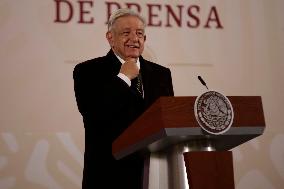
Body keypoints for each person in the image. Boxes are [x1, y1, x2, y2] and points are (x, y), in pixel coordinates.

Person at [73, 8, 174, 189]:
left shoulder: (161, 74)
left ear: (145, 39)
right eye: (126, 33)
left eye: (139, 33)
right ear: (110, 38)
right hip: (109, 175)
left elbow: (167, 120)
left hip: (154, 174)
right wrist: (124, 78)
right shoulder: (87, 71)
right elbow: (94, 115)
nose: (134, 39)